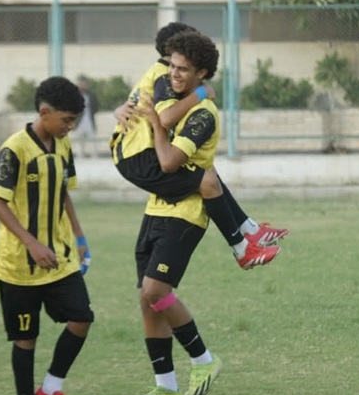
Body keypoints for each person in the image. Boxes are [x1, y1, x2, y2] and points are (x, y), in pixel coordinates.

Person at [111, 22, 288, 270]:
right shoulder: (163, 76)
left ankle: (250, 229)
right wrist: (201, 93)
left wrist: (119, 110)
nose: (177, 71)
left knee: (206, 171)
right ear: (172, 52)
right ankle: (242, 248)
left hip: (131, 152)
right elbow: (165, 118)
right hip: (137, 157)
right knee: (206, 180)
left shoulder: (157, 73)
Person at [125, 31, 225, 395]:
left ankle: (204, 361)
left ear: (202, 74)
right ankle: (164, 384)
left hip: (185, 213)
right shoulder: (174, 102)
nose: (174, 74)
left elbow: (167, 162)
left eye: (183, 69)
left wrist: (155, 124)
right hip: (156, 209)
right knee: (146, 299)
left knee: (156, 290)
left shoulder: (202, 113)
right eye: (171, 66)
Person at [0, 76, 94, 395]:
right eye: (67, 120)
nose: (71, 127)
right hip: (19, 265)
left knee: (82, 317)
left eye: (74, 120)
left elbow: (63, 193)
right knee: (26, 338)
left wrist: (80, 238)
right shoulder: (15, 148)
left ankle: (51, 387)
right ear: (45, 112)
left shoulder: (63, 145)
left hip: (60, 258)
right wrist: (31, 243)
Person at [72, 75, 99, 158]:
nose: (84, 85)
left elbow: (96, 106)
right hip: (79, 121)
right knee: (79, 140)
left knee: (93, 139)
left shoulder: (91, 95)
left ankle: (94, 155)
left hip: (89, 119)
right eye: (82, 83)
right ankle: (80, 155)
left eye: (85, 83)